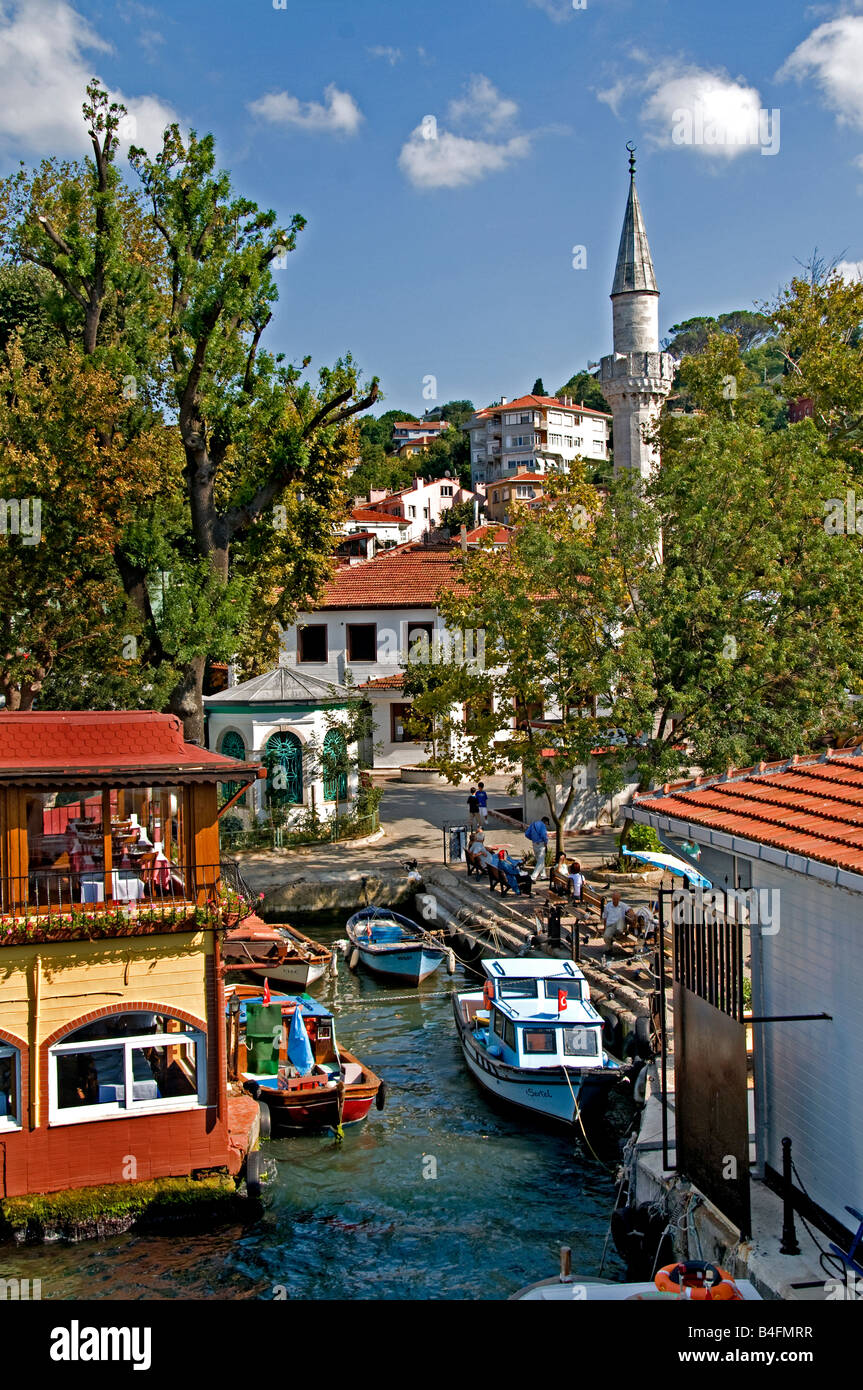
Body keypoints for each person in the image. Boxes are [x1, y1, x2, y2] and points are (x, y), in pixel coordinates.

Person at [524, 816, 550, 882]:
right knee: (540, 861)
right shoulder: (542, 825)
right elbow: (544, 835)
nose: (546, 825)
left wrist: (533, 839)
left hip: (534, 844)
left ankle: (543, 876)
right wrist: (546, 842)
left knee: (540, 860)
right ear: (545, 822)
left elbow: (527, 834)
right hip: (541, 844)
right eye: (547, 824)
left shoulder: (533, 824)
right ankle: (533, 877)